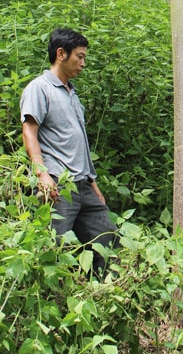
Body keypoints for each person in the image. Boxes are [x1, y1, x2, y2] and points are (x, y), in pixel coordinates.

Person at [20, 28, 119, 278]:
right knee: (54, 248)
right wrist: (42, 174)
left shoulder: (72, 93)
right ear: (61, 54)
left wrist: (92, 180)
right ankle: (57, 302)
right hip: (58, 185)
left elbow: (79, 142)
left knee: (107, 238)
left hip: (83, 185)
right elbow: (29, 132)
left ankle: (102, 294)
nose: (83, 64)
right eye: (80, 56)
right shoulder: (39, 88)